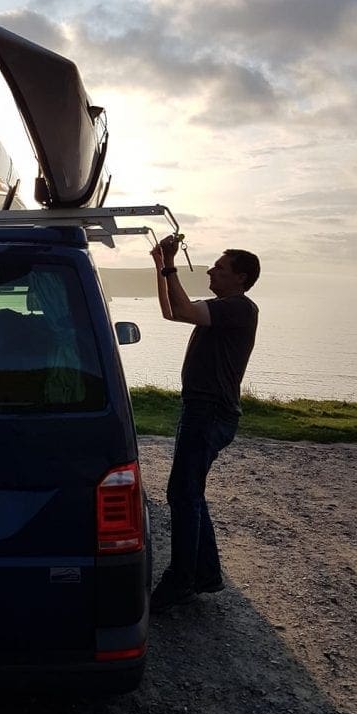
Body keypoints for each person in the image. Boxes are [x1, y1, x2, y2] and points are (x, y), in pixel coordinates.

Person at [149, 236, 260, 613]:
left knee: (182, 494)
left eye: (220, 267)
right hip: (202, 410)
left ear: (240, 278)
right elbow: (171, 311)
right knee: (190, 491)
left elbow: (181, 306)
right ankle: (205, 573)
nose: (211, 270)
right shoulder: (225, 307)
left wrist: (169, 265)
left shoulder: (239, 308)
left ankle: (180, 581)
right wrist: (160, 265)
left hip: (209, 412)